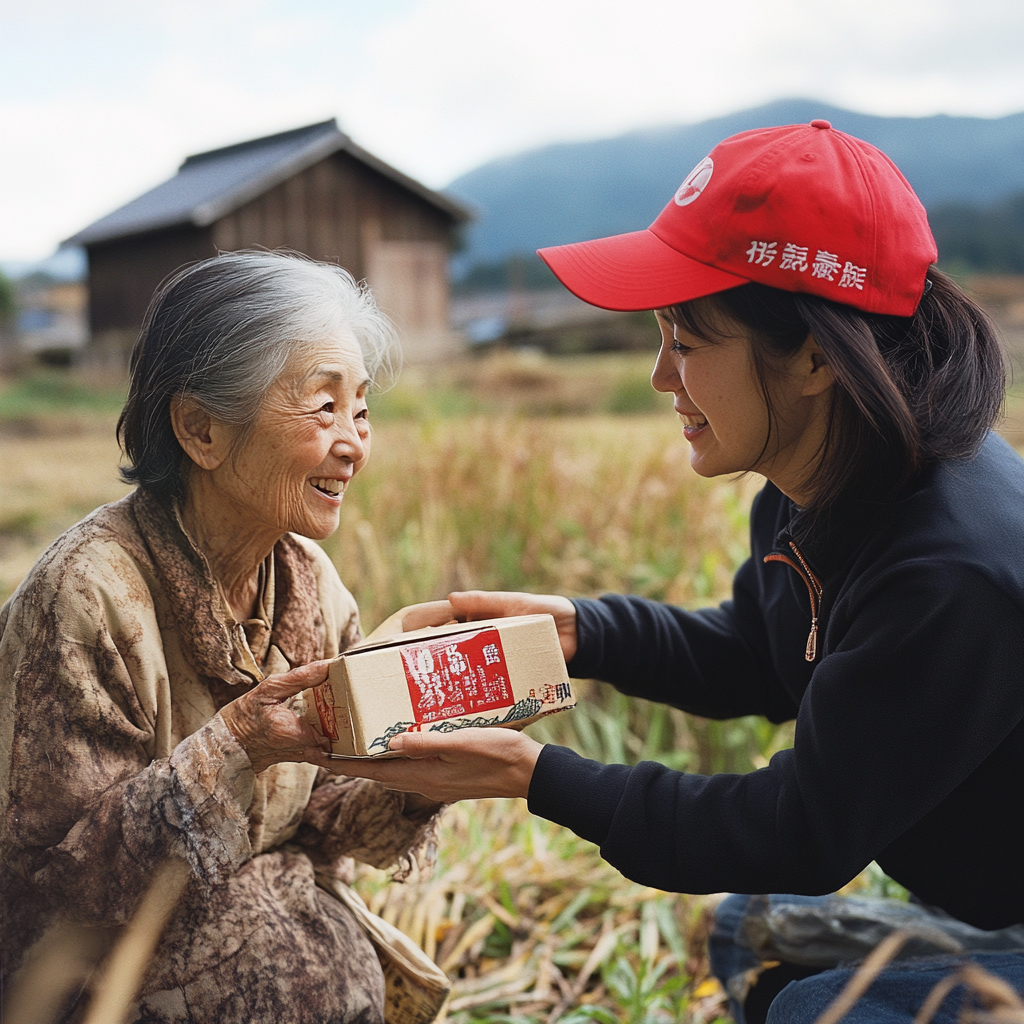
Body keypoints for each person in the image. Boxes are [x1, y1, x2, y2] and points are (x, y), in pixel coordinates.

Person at [338, 122, 1024, 1022]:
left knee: (813, 1011)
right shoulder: (818, 481)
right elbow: (755, 650)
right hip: (985, 905)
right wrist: (581, 631)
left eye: (689, 341)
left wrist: (533, 775)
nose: (662, 376)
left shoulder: (953, 571)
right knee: (750, 932)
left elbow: (802, 831)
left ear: (817, 354)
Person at [0, 251, 447, 1024]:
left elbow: (326, 816)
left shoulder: (307, 577)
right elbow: (55, 888)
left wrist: (418, 765)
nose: (354, 443)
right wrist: (241, 742)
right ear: (201, 430)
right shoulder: (88, 597)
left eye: (362, 411)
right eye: (322, 408)